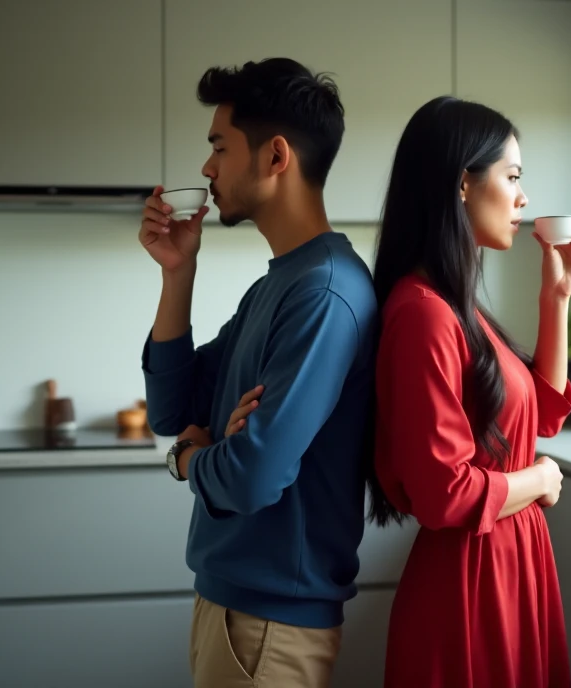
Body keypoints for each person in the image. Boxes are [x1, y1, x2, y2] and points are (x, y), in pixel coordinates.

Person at [139, 57, 378, 688]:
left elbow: (249, 478)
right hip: (235, 607)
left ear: (275, 157)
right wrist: (177, 273)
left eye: (219, 145)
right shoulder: (281, 284)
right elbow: (174, 409)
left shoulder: (325, 294)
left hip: (270, 625)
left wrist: (191, 458)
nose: (207, 168)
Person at [367, 95, 571, 688]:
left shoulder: (456, 309)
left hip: (510, 559)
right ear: (461, 183)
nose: (523, 198)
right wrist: (540, 480)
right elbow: (445, 493)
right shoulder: (423, 316)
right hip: (471, 581)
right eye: (512, 176)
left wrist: (557, 298)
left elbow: (541, 414)